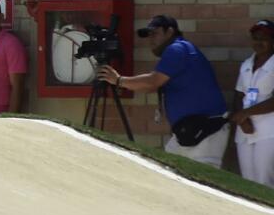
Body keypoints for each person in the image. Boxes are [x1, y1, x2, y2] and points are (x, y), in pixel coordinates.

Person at [97, 15, 230, 167]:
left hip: (205, 131)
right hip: (190, 131)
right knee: (167, 171)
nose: (151, 39)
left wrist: (119, 80)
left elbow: (152, 82)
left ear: (170, 32)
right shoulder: (180, 49)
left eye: (155, 33)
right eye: (149, 35)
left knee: (204, 182)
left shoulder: (177, 48)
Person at [230, 19, 274, 187]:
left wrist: (245, 114)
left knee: (265, 180)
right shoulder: (246, 64)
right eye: (255, 38)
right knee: (248, 182)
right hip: (245, 131)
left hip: (268, 131)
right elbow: (238, 94)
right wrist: (242, 120)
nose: (258, 42)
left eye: (264, 38)